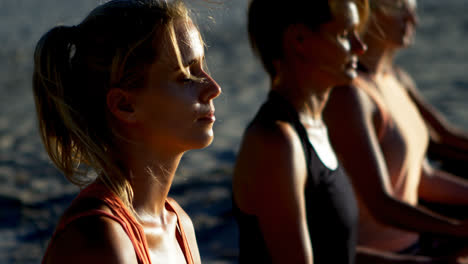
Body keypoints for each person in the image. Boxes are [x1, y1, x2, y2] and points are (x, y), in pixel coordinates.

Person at [34, 0, 221, 263]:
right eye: (186, 76)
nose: (213, 88)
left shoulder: (179, 225)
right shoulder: (99, 240)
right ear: (125, 105)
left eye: (202, 67)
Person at [323, 0, 468, 260]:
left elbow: (421, 176)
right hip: (386, 255)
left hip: (416, 244)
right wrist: (456, 230)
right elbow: (380, 205)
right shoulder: (349, 95)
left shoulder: (395, 79)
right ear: (370, 14)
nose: (414, 20)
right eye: (401, 8)